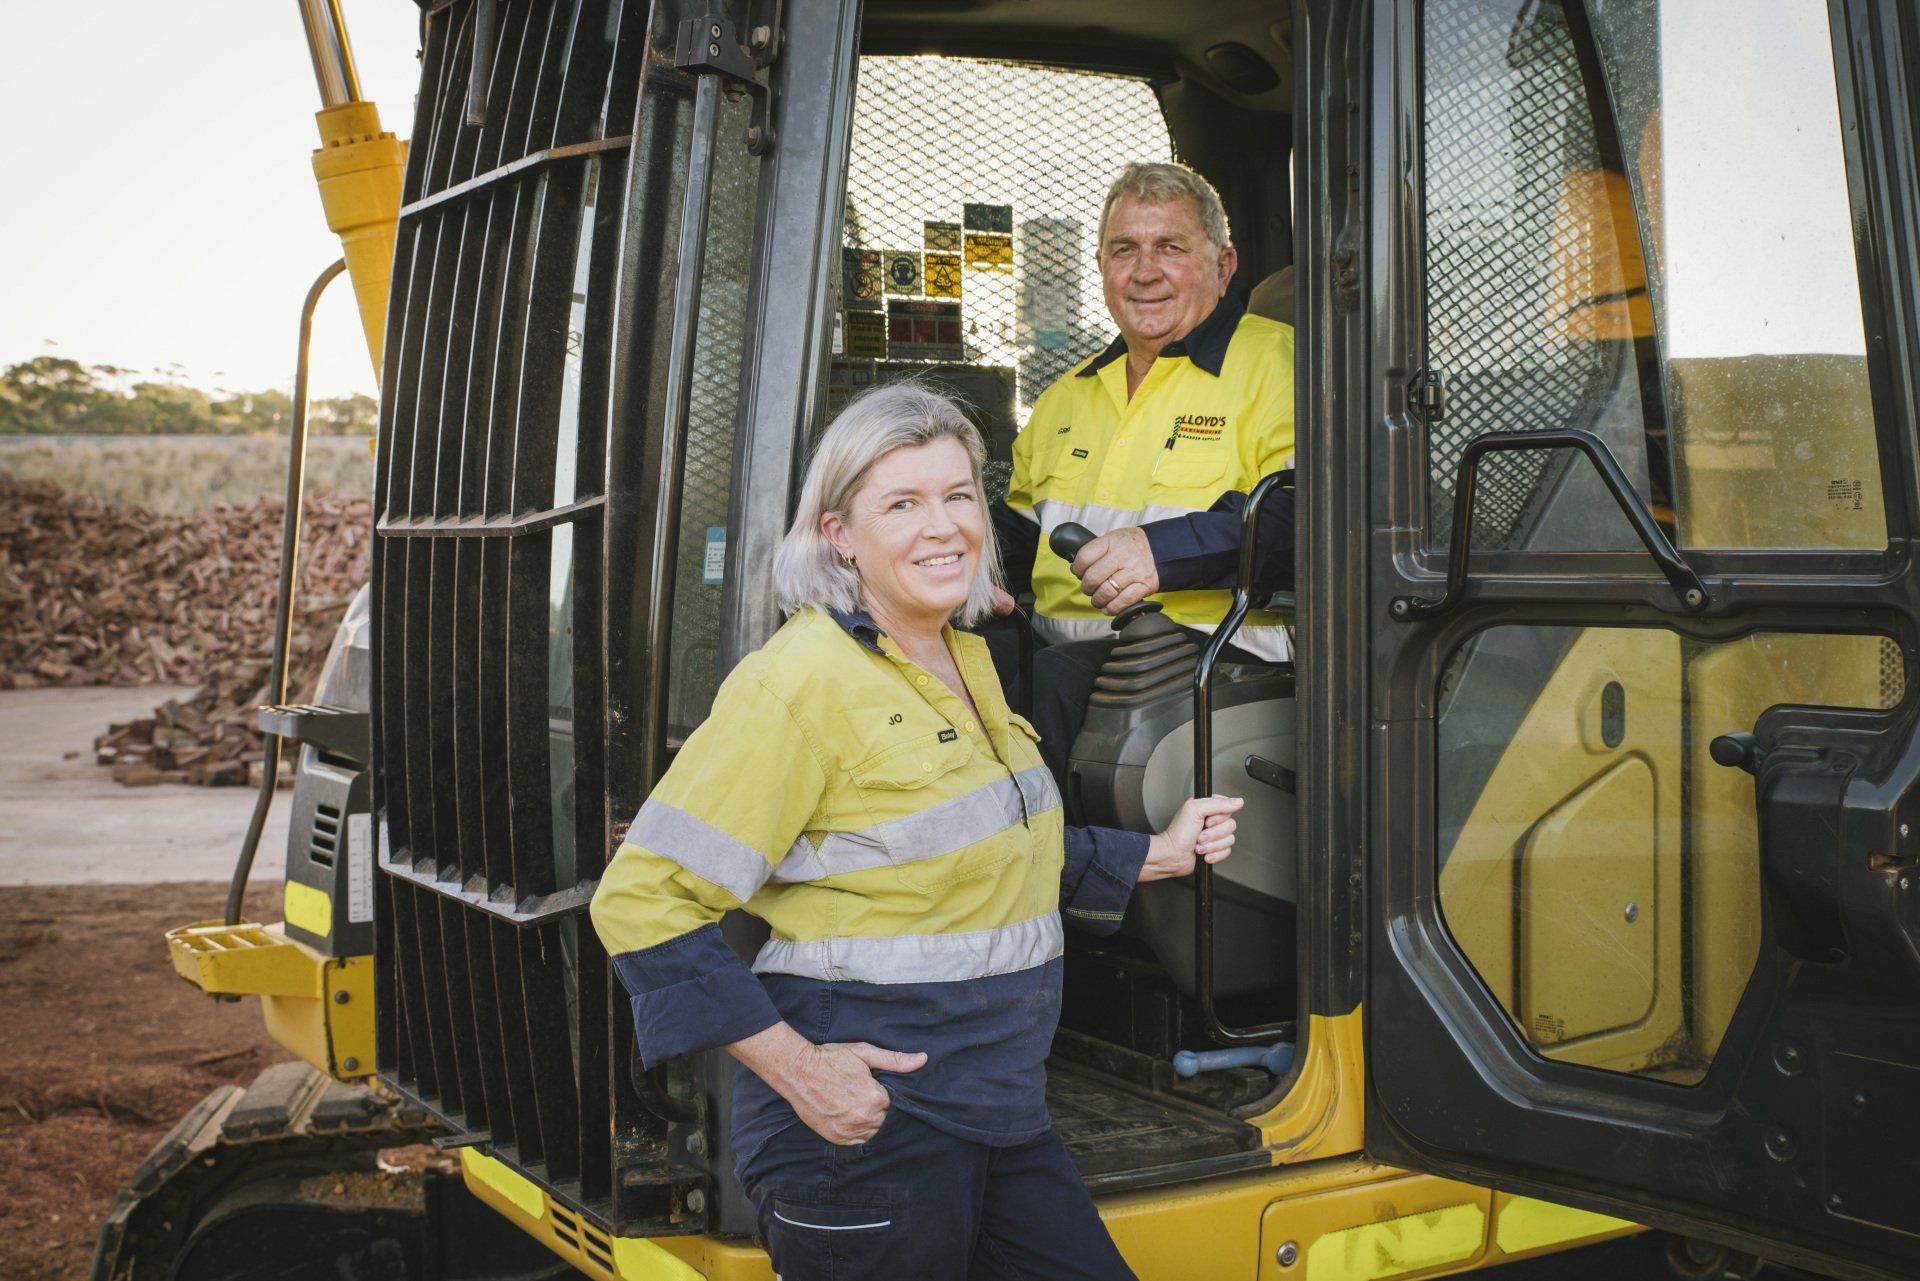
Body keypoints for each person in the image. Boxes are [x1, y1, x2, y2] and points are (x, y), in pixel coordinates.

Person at [590, 383, 1244, 1280]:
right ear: (840, 535)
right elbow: (641, 900)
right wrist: (800, 1070)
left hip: (997, 1107)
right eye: (902, 503)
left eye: (959, 495)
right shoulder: (800, 684)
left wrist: (1156, 854)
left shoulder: (963, 653)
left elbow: (978, 849)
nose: (943, 527)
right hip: (866, 1130)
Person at [992, 161, 1297, 789]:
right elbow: (1019, 532)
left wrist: (1160, 554)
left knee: (1043, 692)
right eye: (1125, 249)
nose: (1146, 270)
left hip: (1220, 660)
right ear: (1103, 267)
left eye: (1171, 248)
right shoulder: (1067, 397)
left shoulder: (1282, 365)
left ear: (1224, 265)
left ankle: (1034, 877)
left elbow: (1307, 518)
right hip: (1070, 655)